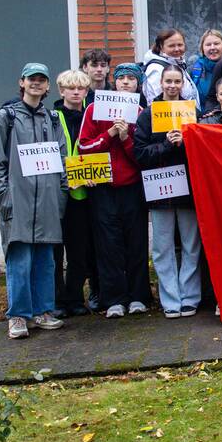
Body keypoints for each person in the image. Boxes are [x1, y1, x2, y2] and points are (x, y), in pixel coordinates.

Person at [0, 63, 68, 339]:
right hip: (17, 200)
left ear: (47, 86)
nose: (36, 84)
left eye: (41, 80)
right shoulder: (4, 118)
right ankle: (18, 315)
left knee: (45, 260)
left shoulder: (52, 118)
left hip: (47, 201)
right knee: (19, 259)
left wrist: (61, 193)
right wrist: (3, 194)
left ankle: (43, 311)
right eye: (31, 79)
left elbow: (62, 159)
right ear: (22, 82)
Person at [79, 63, 152, 318]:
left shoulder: (142, 112)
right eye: (121, 79)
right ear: (115, 82)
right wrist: (110, 134)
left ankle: (139, 297)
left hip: (132, 187)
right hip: (103, 188)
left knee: (136, 243)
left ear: (137, 85)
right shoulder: (93, 109)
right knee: (108, 245)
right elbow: (84, 148)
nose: (125, 83)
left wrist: (125, 139)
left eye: (131, 79)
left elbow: (143, 157)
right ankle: (114, 300)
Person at [134, 64, 202, 319]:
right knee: (162, 248)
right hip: (159, 188)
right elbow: (139, 153)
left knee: (190, 246)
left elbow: (202, 151)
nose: (172, 86)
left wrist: (185, 144)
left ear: (182, 84)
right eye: (168, 82)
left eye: (177, 81)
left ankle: (190, 298)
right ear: (160, 84)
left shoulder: (192, 111)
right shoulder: (148, 115)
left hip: (188, 190)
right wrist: (165, 145)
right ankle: (170, 299)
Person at [51, 69, 97, 318]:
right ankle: (58, 301)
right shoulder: (51, 117)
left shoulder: (91, 115)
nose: (76, 92)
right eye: (71, 88)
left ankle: (76, 298)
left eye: (81, 88)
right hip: (58, 192)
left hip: (84, 192)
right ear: (62, 91)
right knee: (57, 252)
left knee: (80, 250)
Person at [142, 28, 200, 108]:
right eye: (171, 46)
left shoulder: (177, 63)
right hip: (172, 118)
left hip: (186, 116)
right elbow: (158, 104)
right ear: (161, 47)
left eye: (180, 45)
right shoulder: (156, 69)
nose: (177, 49)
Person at [189, 29, 222, 103]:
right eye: (208, 45)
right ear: (202, 49)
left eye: (216, 44)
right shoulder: (194, 71)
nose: (212, 47)